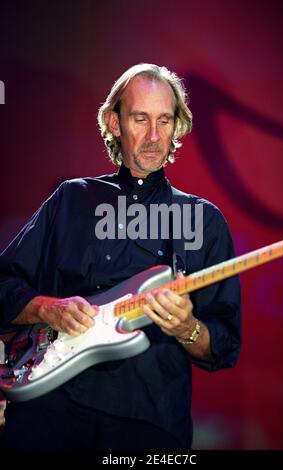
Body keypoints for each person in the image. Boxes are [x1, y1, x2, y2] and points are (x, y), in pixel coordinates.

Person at [0, 63, 241, 450]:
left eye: (164, 120)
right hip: (49, 406)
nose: (153, 136)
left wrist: (187, 328)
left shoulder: (204, 221)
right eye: (140, 119)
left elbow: (224, 345)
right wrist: (46, 307)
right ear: (114, 122)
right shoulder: (71, 199)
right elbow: (3, 284)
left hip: (147, 421)